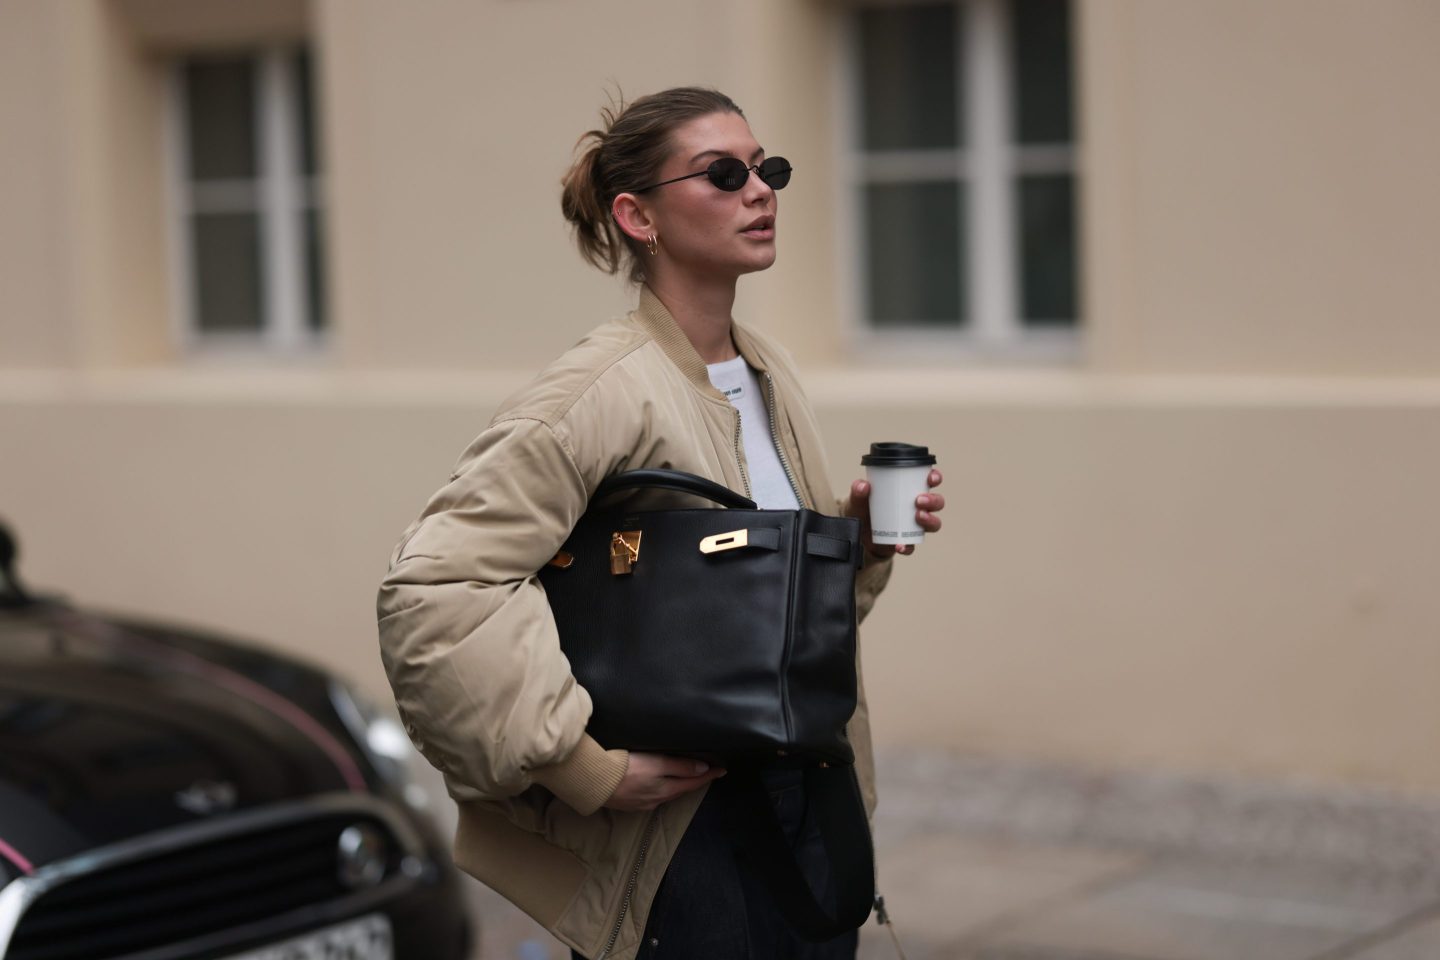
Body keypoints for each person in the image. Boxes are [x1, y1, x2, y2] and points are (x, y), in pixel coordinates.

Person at [377, 87, 944, 960]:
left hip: (808, 796)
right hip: (682, 842)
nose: (760, 191)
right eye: (724, 173)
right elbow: (438, 588)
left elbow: (753, 618)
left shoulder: (767, 373)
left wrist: (854, 546)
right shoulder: (596, 393)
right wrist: (582, 766)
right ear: (637, 215)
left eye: (768, 170)